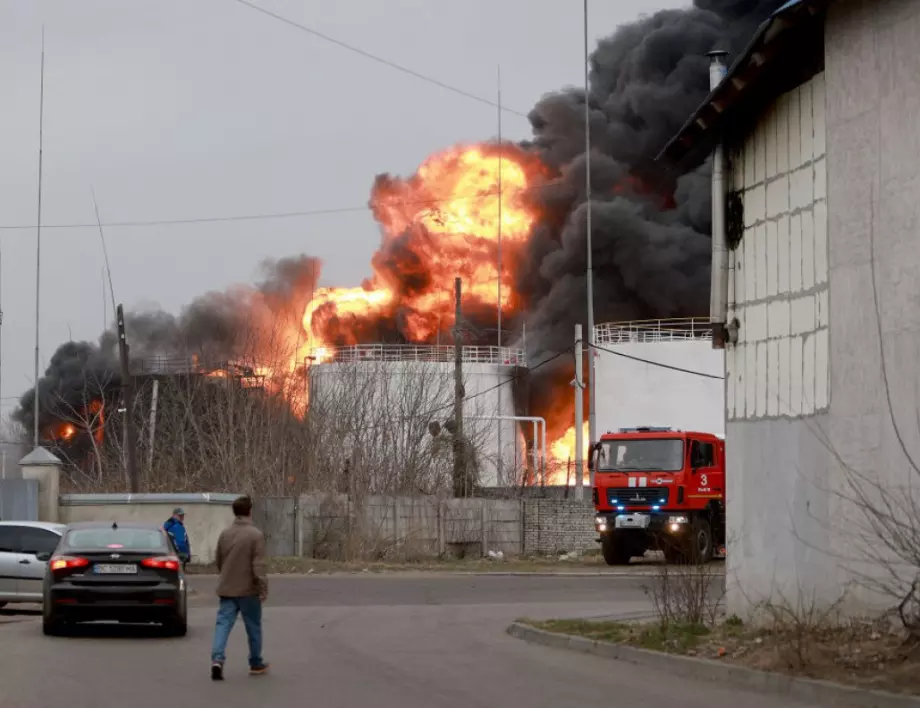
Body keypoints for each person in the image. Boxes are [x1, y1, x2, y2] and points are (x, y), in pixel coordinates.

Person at [210, 495, 269, 680]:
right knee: (253, 626)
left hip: (227, 588)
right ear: (250, 511)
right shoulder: (255, 535)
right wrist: (262, 587)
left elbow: (219, 560)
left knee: (223, 624)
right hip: (248, 590)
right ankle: (255, 662)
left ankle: (217, 659)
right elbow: (258, 565)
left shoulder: (225, 534)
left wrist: (226, 575)